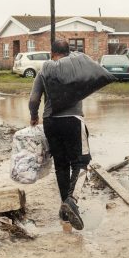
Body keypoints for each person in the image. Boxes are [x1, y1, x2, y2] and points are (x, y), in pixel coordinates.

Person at [29, 39, 89, 230]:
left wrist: (33, 117)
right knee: (81, 162)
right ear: (69, 53)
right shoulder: (76, 69)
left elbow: (33, 99)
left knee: (61, 165)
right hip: (73, 120)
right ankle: (72, 200)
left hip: (51, 122)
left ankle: (65, 211)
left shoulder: (44, 71)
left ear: (51, 52)